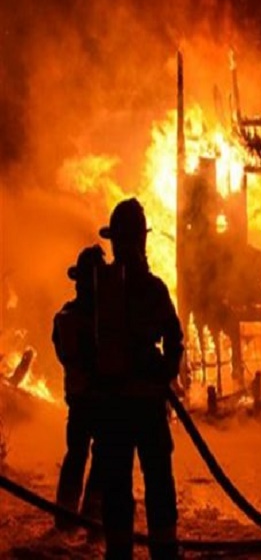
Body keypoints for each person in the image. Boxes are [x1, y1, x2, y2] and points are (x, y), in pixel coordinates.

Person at [93, 198, 184, 560]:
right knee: (155, 481)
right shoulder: (151, 289)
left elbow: (83, 343)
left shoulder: (103, 290)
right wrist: (164, 372)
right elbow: (174, 338)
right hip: (142, 405)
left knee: (121, 484)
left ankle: (123, 553)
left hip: (116, 406)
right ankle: (161, 552)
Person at [52, 245, 105, 530]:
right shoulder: (84, 319)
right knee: (95, 457)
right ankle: (87, 519)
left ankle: (68, 519)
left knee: (80, 456)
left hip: (81, 401)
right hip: (94, 400)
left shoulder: (65, 317)